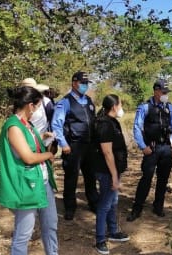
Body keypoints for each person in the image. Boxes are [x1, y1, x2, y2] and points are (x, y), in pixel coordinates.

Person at [0, 86, 58, 255]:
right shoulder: (14, 126)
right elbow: (28, 157)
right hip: (27, 186)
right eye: (38, 106)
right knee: (23, 233)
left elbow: (30, 144)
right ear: (30, 105)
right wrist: (48, 155)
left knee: (50, 225)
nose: (39, 110)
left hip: (42, 181)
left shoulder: (27, 124)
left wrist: (43, 137)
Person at [127, 79, 172, 222]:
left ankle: (158, 206)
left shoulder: (170, 107)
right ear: (156, 91)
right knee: (146, 178)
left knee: (163, 179)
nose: (165, 95)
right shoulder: (145, 107)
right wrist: (143, 147)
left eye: (167, 92)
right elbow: (137, 127)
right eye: (163, 92)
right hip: (152, 148)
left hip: (166, 149)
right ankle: (137, 209)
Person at [51, 71, 98, 220]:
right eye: (82, 83)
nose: (85, 85)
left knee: (91, 176)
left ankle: (94, 203)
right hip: (73, 146)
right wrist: (63, 144)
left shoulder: (89, 101)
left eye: (86, 83)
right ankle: (70, 207)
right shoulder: (65, 102)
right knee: (71, 178)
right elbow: (56, 125)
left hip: (89, 146)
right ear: (74, 83)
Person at [93, 94, 130, 254]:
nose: (122, 107)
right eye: (120, 104)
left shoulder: (112, 122)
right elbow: (107, 153)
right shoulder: (104, 124)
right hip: (107, 171)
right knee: (104, 205)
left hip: (114, 170)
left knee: (113, 202)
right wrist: (114, 176)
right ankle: (100, 239)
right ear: (114, 106)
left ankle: (113, 231)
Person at [21, 78, 56, 148]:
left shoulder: (45, 102)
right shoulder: (20, 103)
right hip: (25, 140)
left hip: (43, 142)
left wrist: (54, 142)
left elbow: (53, 120)